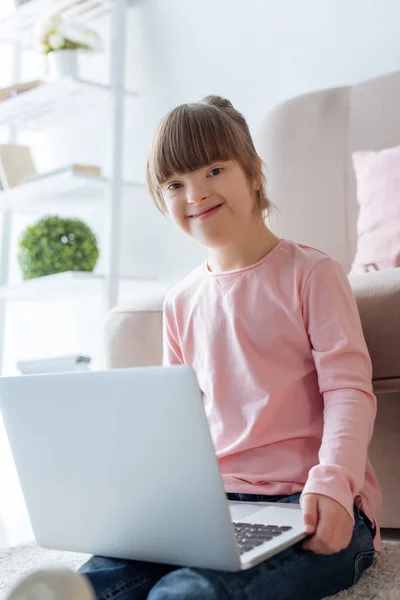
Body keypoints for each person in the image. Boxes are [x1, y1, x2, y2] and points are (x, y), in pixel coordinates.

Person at [7, 95, 381, 600]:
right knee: (99, 580)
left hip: (311, 505)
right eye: (174, 183)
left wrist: (335, 485)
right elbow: (176, 425)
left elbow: (349, 391)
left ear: (252, 174)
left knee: (190, 592)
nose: (195, 193)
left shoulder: (311, 274)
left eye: (214, 169)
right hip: (212, 508)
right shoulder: (181, 301)